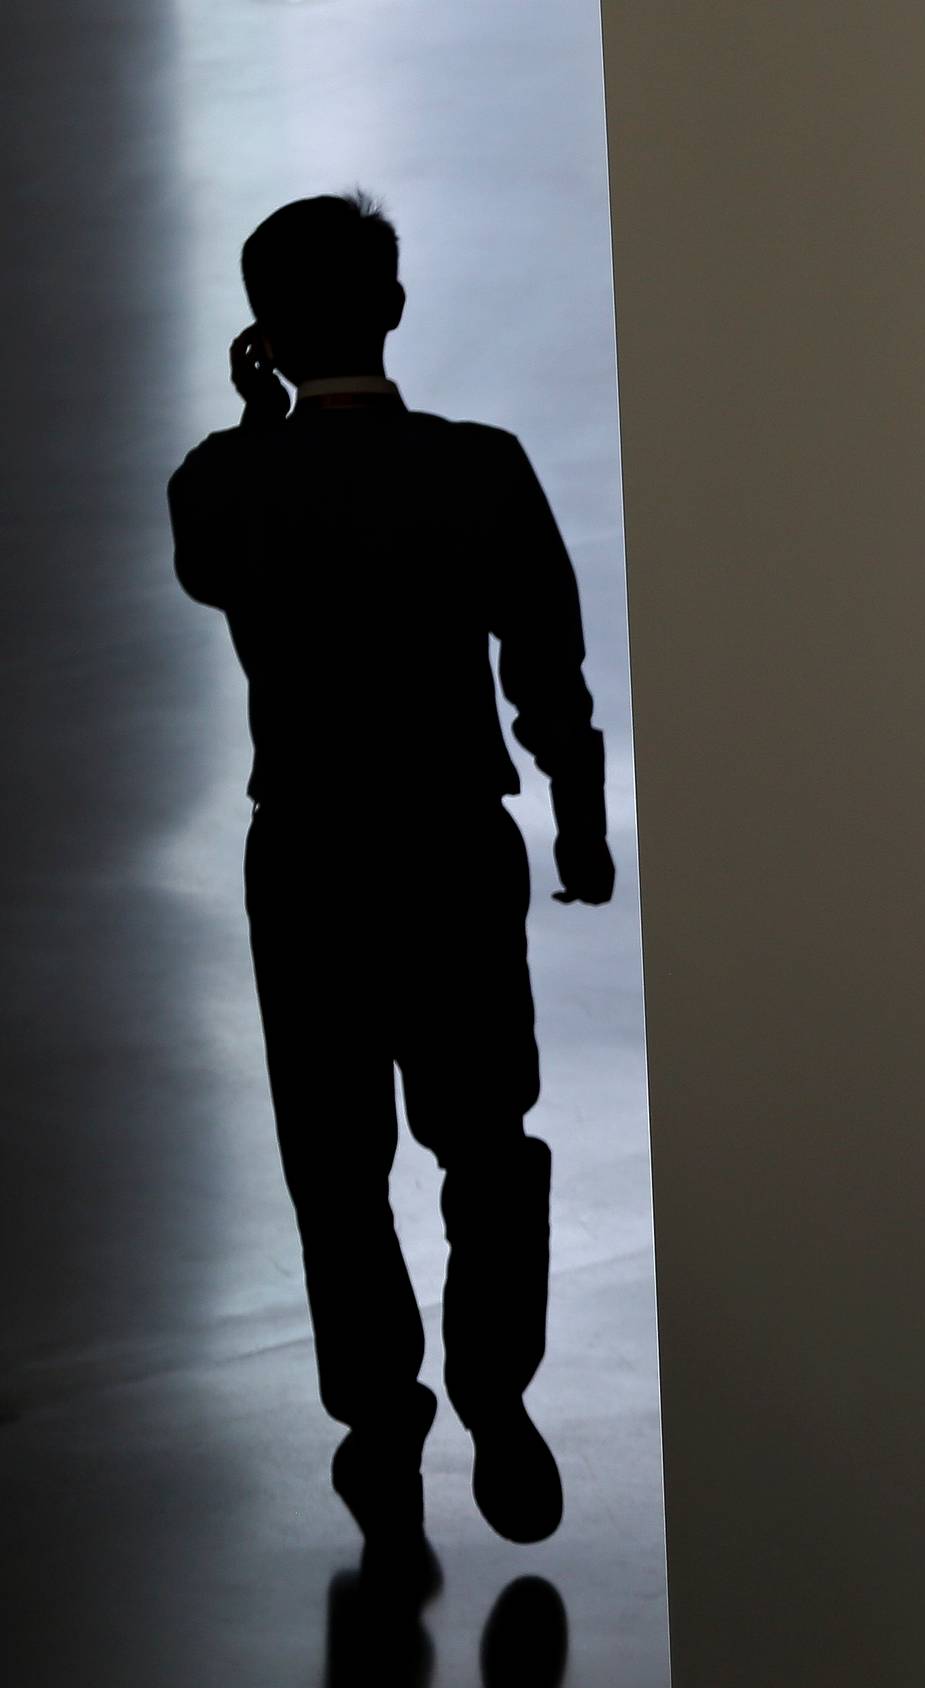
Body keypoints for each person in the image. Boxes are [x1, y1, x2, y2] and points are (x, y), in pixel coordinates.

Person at [167, 191, 613, 1553]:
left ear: (264, 331)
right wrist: (578, 817)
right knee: (488, 1139)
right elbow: (546, 661)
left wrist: (260, 419)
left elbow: (214, 573)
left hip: (304, 853)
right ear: (396, 305)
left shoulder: (219, 483)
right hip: (448, 845)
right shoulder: (480, 468)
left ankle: (379, 1420)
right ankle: (498, 1390)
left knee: (336, 1160)